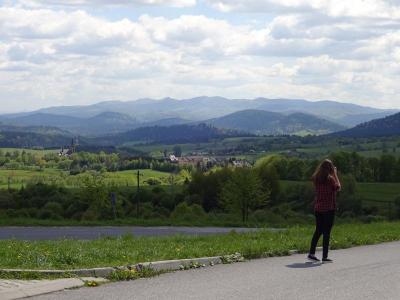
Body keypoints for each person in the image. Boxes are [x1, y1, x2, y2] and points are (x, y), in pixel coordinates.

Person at [307, 159, 341, 263]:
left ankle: (311, 253)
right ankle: (324, 256)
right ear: (330, 169)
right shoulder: (330, 179)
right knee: (327, 232)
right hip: (329, 208)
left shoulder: (316, 178)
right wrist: (335, 174)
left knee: (318, 231)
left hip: (318, 208)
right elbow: (338, 187)